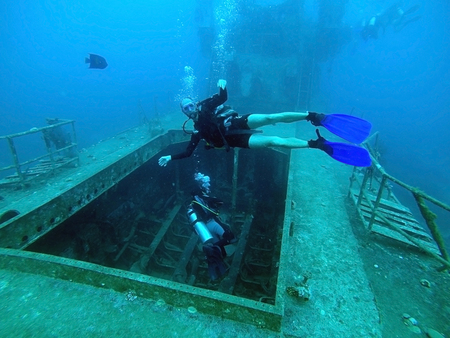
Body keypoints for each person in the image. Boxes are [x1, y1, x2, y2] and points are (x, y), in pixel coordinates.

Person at [159, 79, 372, 167]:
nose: (189, 108)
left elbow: (222, 98)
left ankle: (313, 116)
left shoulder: (205, 107)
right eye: (185, 108)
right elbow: (188, 152)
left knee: (271, 118)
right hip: (236, 140)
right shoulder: (196, 131)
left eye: (190, 104)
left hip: (235, 122)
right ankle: (316, 144)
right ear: (184, 113)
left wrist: (222, 85)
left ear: (195, 105)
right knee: (273, 141)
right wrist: (170, 156)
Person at [186, 172, 236, 281]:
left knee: (217, 246)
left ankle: (217, 270)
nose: (209, 185)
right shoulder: (203, 197)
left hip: (205, 227)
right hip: (211, 224)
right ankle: (215, 250)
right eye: (206, 184)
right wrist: (213, 204)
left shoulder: (194, 202)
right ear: (201, 185)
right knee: (231, 237)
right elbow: (220, 202)